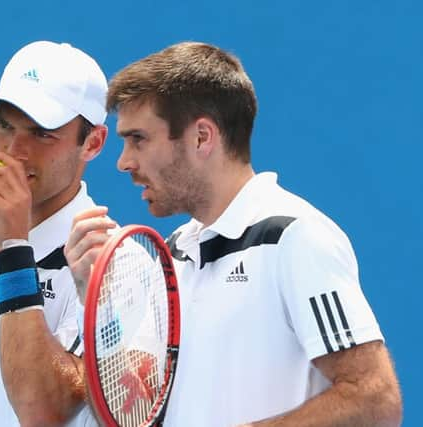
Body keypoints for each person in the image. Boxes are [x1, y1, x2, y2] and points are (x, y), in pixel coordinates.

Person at [64, 42, 403, 426]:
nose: (124, 162)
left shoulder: (294, 237)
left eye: (138, 139)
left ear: (202, 137)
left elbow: (375, 399)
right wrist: (99, 303)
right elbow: (133, 410)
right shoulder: (174, 254)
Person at [0, 40, 108, 427]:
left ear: (93, 143)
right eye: (3, 125)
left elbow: (44, 412)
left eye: (42, 134)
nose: (14, 151)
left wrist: (14, 248)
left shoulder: (109, 259)